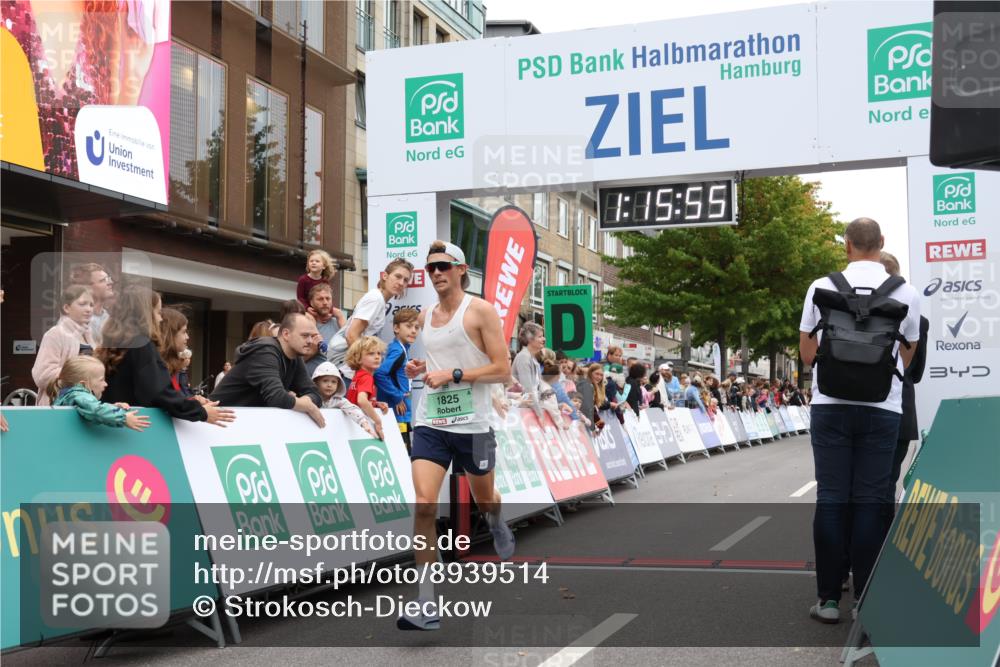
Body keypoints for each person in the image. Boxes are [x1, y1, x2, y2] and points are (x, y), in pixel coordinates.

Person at [799, 218, 921, 624]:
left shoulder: (821, 286)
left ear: (847, 245)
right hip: (882, 409)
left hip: (829, 405)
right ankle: (866, 604)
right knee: (871, 501)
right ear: (881, 243)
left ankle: (829, 600)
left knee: (832, 498)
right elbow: (907, 356)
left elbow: (805, 352)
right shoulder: (907, 292)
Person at [400, 241, 514, 631]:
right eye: (431, 269)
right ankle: (426, 602)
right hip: (432, 422)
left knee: (485, 499)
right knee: (424, 504)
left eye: (443, 267)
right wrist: (422, 368)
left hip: (475, 425)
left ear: (461, 269)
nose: (436, 274)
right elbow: (438, 363)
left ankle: (497, 522)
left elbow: (503, 370)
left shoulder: (480, 310)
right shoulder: (427, 314)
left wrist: (455, 374)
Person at [98, 285, 232, 426]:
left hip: (112, 424)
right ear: (145, 314)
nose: (160, 319)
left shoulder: (113, 345)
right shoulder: (141, 345)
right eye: (157, 312)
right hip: (133, 428)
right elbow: (159, 392)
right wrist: (201, 412)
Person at [211, 313, 325, 426]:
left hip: (244, 424)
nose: (310, 341)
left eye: (312, 336)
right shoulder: (265, 350)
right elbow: (276, 396)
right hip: (217, 422)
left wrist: (305, 401)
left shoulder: (295, 356)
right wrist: (308, 406)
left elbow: (316, 394)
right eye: (305, 336)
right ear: (286, 334)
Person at [878, 252, 929, 494]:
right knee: (888, 485)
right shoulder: (920, 319)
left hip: (865, 407)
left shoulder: (855, 313)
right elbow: (915, 372)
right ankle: (886, 532)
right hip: (902, 408)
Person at [328, 259, 413, 379]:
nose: (401, 283)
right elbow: (351, 335)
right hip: (347, 371)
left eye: (405, 280)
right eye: (397, 276)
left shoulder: (380, 300)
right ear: (385, 276)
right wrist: (364, 370)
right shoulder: (376, 299)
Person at [32, 284, 96, 405]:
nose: (89, 309)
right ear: (66, 308)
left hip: (87, 405)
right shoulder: (55, 334)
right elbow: (42, 375)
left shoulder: (91, 336)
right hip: (59, 406)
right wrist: (79, 377)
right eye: (82, 304)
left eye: (91, 305)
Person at [50, 356, 150, 431]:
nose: (106, 384)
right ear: (84, 384)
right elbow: (96, 410)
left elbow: (90, 408)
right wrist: (123, 417)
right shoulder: (78, 395)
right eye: (101, 380)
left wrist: (113, 407)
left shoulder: (71, 396)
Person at [375, 308, 420, 450]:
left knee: (404, 449)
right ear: (396, 328)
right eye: (408, 326)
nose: (413, 331)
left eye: (417, 327)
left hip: (401, 412)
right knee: (402, 451)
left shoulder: (402, 348)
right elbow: (380, 374)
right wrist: (398, 396)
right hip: (396, 412)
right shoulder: (398, 350)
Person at [312, 361, 377, 438]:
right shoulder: (310, 398)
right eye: (325, 381)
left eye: (334, 382)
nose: (329, 385)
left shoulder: (339, 401)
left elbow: (352, 409)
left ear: (338, 385)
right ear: (316, 382)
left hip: (330, 437)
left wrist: (364, 423)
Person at [345, 336, 389, 440]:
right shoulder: (366, 377)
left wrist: (375, 404)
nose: (377, 357)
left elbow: (357, 399)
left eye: (379, 353)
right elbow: (362, 401)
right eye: (371, 353)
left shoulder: (358, 375)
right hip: (359, 427)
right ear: (358, 358)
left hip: (352, 424)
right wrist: (377, 421)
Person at [70, 263, 114, 344]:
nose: (110, 283)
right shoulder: (72, 321)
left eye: (109, 279)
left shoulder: (109, 319)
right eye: (103, 280)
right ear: (88, 287)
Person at [512, 322, 544, 405]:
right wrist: (540, 413)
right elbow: (528, 391)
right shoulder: (523, 357)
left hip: (530, 407)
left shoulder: (533, 359)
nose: (544, 339)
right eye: (540, 336)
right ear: (530, 339)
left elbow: (538, 390)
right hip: (523, 410)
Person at [308, 282, 345, 347]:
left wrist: (340, 316)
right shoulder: (306, 323)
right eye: (320, 299)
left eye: (328, 299)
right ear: (311, 303)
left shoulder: (339, 321)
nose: (325, 302)